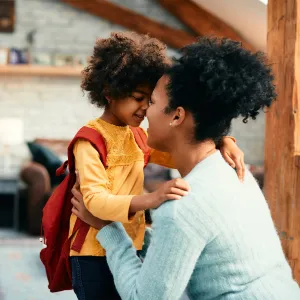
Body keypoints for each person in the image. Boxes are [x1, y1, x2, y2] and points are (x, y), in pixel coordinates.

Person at [71, 37, 300, 300]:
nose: (145, 112)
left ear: (177, 116)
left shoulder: (180, 207)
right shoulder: (234, 170)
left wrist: (107, 228)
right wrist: (222, 139)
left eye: (152, 102)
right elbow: (193, 241)